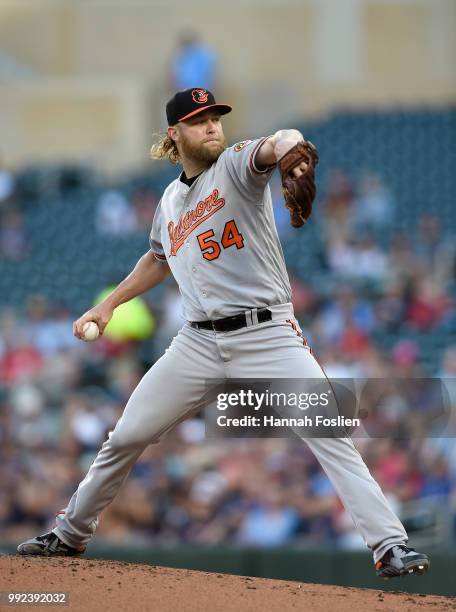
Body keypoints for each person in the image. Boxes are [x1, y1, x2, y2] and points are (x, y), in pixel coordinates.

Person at [17, 88, 429, 579]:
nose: (212, 126)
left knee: (329, 431)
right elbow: (157, 257)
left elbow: (277, 142)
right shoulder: (170, 200)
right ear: (175, 134)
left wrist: (293, 155)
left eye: (215, 117)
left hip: (267, 332)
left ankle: (389, 545)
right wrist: (109, 304)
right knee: (125, 435)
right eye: (198, 121)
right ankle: (69, 535)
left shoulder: (234, 165)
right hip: (197, 342)